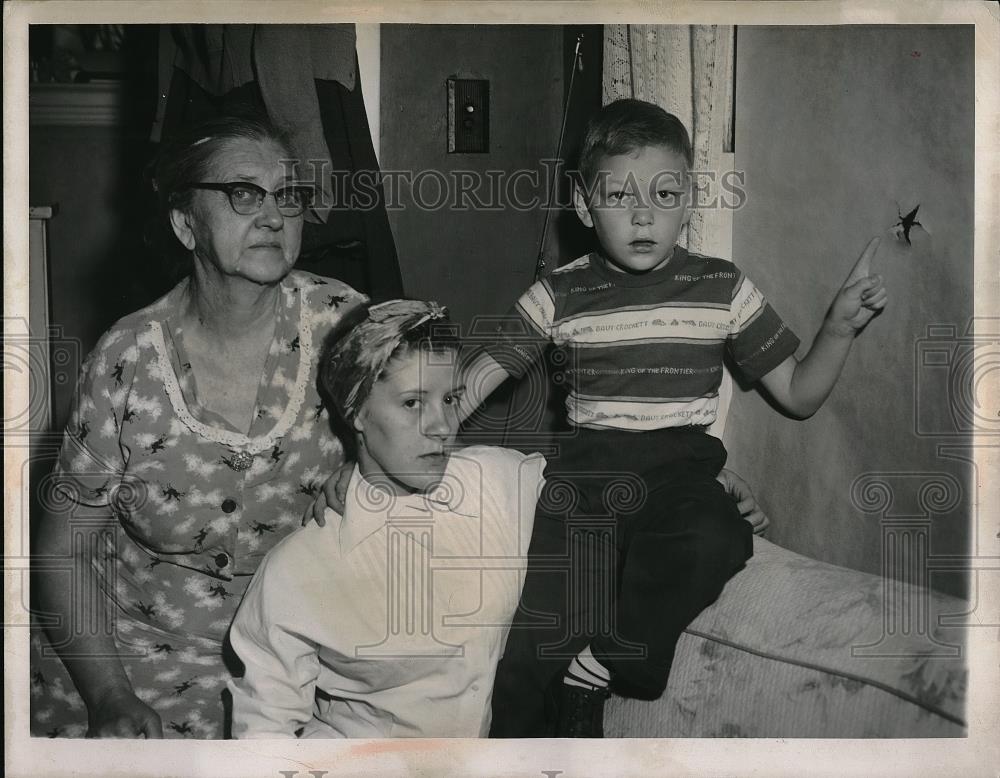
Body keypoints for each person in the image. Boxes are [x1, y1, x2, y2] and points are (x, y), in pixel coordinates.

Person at [459, 99, 887, 737]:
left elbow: (798, 393)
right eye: (618, 195)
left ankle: (611, 661)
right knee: (529, 658)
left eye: (664, 193)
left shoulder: (722, 286)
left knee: (717, 537)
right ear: (583, 205)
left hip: (680, 474)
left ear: (690, 201)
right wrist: (385, 452)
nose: (642, 214)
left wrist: (839, 329)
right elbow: (473, 381)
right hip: (583, 486)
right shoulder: (558, 292)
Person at [30, 114, 366, 739]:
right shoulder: (125, 358)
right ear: (186, 224)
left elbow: (430, 424)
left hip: (296, 662)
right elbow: (63, 549)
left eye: (287, 195)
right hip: (130, 664)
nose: (273, 215)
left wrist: (369, 470)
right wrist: (109, 696)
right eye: (244, 194)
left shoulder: (344, 324)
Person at [227, 300, 546, 738]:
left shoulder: (496, 482)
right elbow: (264, 735)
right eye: (413, 402)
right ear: (356, 413)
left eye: (450, 399)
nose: (441, 426)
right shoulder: (301, 567)